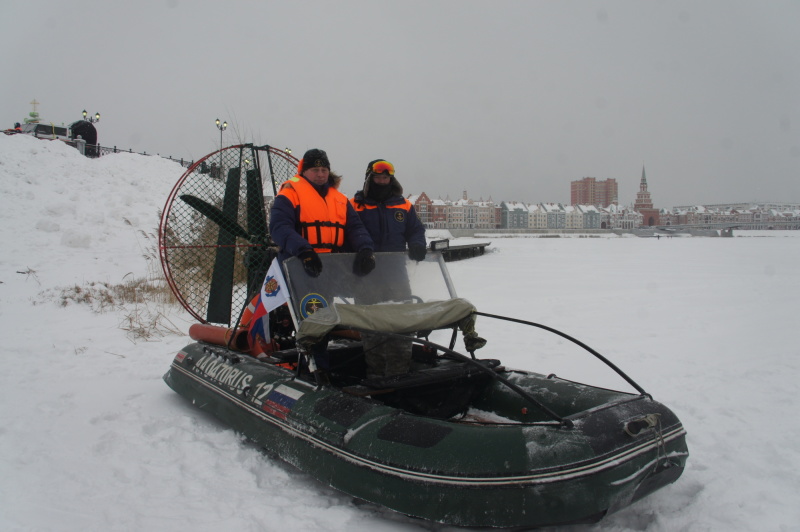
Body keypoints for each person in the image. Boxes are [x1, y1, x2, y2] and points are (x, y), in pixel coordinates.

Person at [269, 148, 376, 381]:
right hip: (300, 266)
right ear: (304, 171)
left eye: (324, 169)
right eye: (315, 170)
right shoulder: (291, 193)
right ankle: (317, 371)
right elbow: (279, 227)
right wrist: (304, 250)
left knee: (324, 318)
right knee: (311, 317)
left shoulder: (339, 199)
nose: (320, 174)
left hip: (329, 268)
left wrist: (366, 249)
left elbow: (355, 228)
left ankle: (321, 364)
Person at [350, 159, 427, 378]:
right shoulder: (355, 204)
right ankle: (375, 375)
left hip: (396, 274)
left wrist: (417, 243)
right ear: (369, 179)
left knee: (401, 325)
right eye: (377, 178)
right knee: (371, 328)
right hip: (366, 274)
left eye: (386, 178)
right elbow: (350, 231)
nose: (382, 181)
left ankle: (399, 374)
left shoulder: (402, 205)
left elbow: (415, 229)